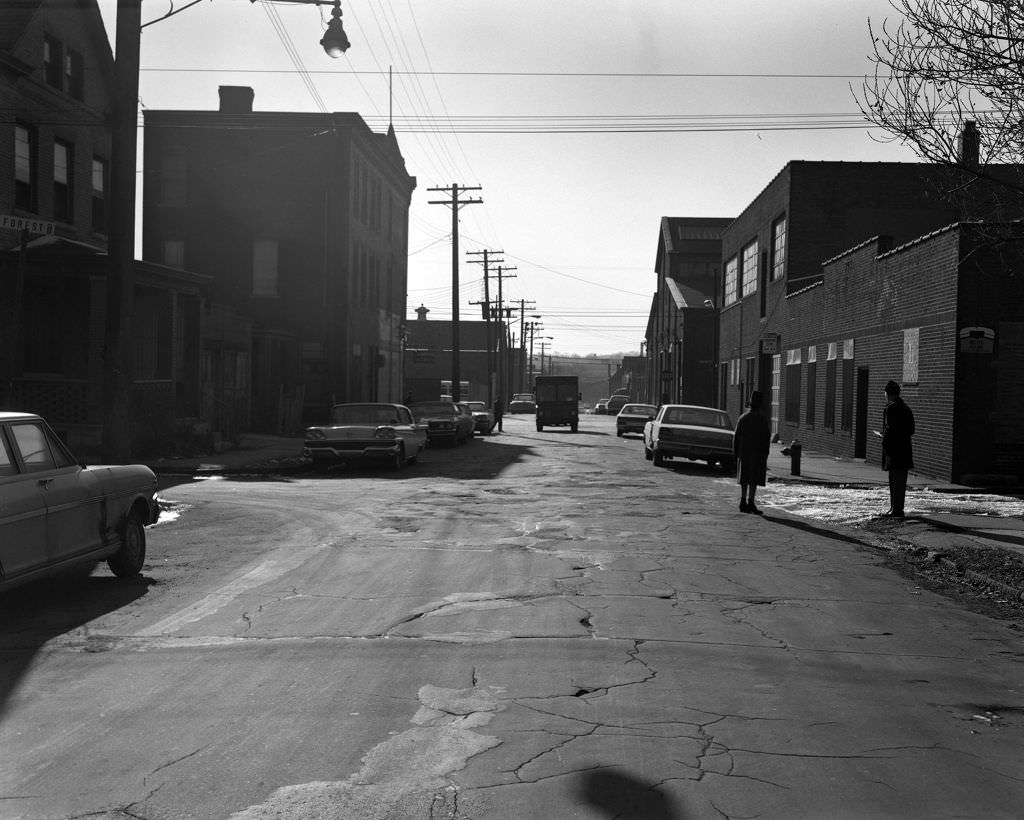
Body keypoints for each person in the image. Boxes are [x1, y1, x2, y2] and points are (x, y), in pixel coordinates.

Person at [733, 390, 772, 514]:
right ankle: (751, 501)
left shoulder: (743, 418)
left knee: (744, 478)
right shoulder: (762, 419)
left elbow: (736, 437)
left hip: (744, 453)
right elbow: (766, 438)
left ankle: (743, 500)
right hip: (758, 454)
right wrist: (765, 453)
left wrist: (736, 453)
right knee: (754, 479)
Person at [881, 380, 915, 518]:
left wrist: (884, 441)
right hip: (905, 449)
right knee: (900, 481)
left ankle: (895, 510)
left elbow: (890, 430)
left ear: (887, 394)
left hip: (894, 450)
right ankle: (896, 508)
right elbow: (911, 430)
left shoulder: (891, 408)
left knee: (894, 481)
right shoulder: (906, 408)